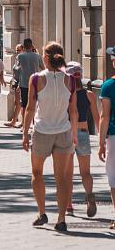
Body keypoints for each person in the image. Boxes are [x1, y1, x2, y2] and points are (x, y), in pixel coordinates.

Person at [22, 42, 78, 232]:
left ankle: (42, 212)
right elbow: (74, 111)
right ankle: (61, 219)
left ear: (45, 58)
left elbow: (30, 108)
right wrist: (75, 133)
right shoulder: (70, 80)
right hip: (63, 132)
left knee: (37, 173)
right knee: (61, 177)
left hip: (42, 132)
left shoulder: (36, 79)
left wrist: (24, 133)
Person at [65, 62, 99, 217]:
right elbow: (97, 117)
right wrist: (101, 139)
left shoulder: (65, 94)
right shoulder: (89, 94)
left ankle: (69, 204)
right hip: (84, 133)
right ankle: (89, 196)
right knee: (86, 172)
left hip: (67, 134)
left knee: (67, 173)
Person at [9, 38, 45, 128]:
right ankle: (34, 124)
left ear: (24, 46)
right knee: (35, 103)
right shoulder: (37, 56)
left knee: (25, 105)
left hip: (24, 83)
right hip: (36, 83)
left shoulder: (20, 56)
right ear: (31, 45)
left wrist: (17, 80)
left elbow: (15, 69)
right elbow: (43, 68)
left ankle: (25, 125)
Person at [99, 46, 115, 230]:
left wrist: (101, 142)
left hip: (114, 136)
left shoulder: (108, 86)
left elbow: (105, 116)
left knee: (114, 178)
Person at [5, 44, 24, 128]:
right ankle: (14, 121)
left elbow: (23, 73)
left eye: (19, 50)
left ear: (23, 50)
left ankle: (22, 122)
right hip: (15, 82)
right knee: (17, 103)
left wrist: (20, 84)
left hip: (21, 83)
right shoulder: (17, 59)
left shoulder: (23, 59)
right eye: (16, 50)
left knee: (21, 103)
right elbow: (15, 72)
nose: (17, 52)